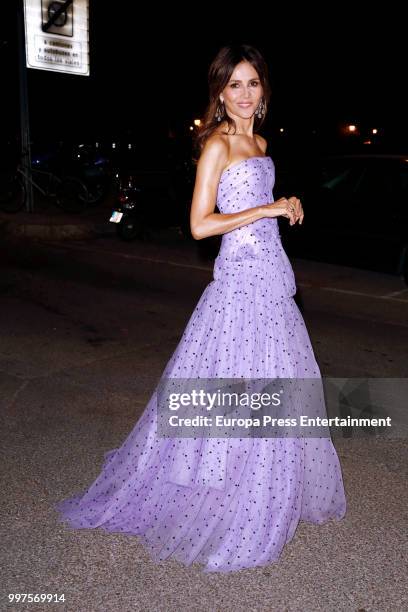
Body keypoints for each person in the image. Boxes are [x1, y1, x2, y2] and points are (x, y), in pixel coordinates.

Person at [54, 43, 347, 573]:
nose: (243, 93)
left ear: (264, 91)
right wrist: (269, 207)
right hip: (236, 285)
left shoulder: (261, 143)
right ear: (218, 92)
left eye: (252, 83)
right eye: (233, 84)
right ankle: (216, 490)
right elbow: (200, 224)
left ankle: (255, 487)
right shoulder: (215, 145)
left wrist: (287, 206)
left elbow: (259, 213)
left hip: (272, 280)